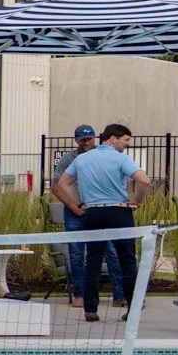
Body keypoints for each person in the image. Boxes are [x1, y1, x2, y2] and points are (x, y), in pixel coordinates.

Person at [55, 123, 151, 323]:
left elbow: (63, 183)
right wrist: (138, 201)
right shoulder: (120, 158)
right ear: (113, 138)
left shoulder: (82, 159)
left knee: (93, 260)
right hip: (119, 212)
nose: (126, 145)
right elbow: (145, 181)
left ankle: (90, 308)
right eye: (125, 140)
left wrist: (78, 202)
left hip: (93, 213)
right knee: (127, 260)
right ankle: (131, 306)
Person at [52, 124, 122, 310]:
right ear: (76, 140)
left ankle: (120, 294)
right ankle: (79, 293)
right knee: (76, 253)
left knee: (111, 250)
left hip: (99, 209)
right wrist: (73, 207)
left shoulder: (102, 157)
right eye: (83, 139)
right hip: (76, 211)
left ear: (95, 138)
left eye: (89, 138)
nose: (87, 142)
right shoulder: (68, 160)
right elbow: (57, 186)